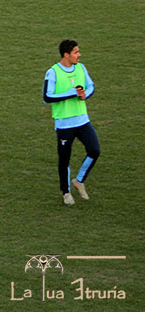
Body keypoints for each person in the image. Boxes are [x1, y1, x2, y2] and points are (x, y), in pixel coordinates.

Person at [43, 39, 100, 206]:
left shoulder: (81, 68)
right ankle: (66, 192)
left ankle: (79, 180)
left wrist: (85, 94)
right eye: (76, 52)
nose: (79, 55)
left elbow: (91, 86)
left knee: (94, 150)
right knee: (64, 159)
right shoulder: (53, 72)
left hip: (82, 120)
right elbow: (47, 97)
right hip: (64, 124)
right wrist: (71, 93)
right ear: (66, 54)